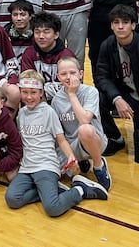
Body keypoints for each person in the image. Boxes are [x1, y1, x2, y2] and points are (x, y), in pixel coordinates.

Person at [5, 70, 108, 218]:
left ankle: (80, 190)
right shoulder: (21, 114)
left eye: (33, 92)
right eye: (25, 92)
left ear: (41, 93)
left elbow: (60, 140)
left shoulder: (48, 112)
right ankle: (51, 189)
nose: (29, 97)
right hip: (27, 168)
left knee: (53, 209)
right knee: (12, 199)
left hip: (46, 166)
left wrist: (71, 157)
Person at [94, 4, 139, 155]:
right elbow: (101, 77)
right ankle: (115, 138)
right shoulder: (107, 45)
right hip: (122, 92)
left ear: (133, 25)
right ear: (112, 26)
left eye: (125, 22)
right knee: (96, 98)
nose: (120, 27)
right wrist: (116, 98)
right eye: (116, 22)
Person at [51, 57, 112, 190]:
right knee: (51, 173)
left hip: (94, 140)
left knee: (85, 130)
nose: (68, 77)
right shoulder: (56, 100)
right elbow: (60, 134)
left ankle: (98, 165)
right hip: (71, 145)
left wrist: (72, 94)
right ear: (58, 77)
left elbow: (85, 119)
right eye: (63, 74)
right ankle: (80, 161)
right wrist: (68, 155)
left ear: (81, 74)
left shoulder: (91, 92)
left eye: (73, 73)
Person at [20, 11, 75, 99]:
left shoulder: (67, 56)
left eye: (46, 32)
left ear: (56, 34)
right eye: (37, 32)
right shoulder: (29, 53)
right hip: (35, 100)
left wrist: (40, 90)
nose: (41, 36)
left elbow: (67, 86)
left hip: (62, 100)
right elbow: (27, 83)